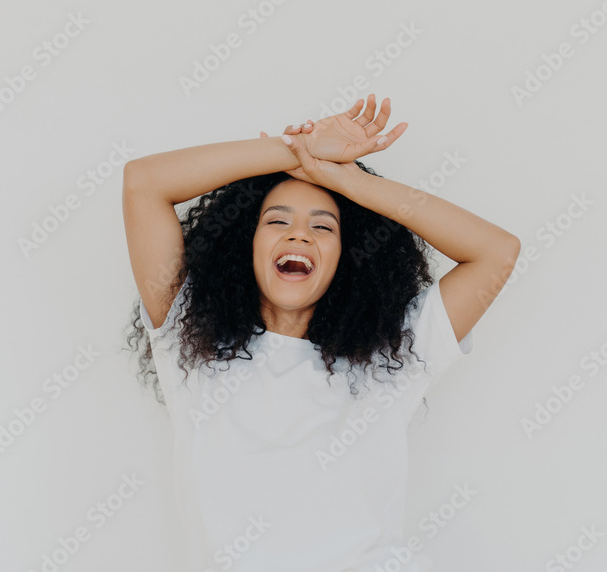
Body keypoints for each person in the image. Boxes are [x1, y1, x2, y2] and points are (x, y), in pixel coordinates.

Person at [121, 95, 520, 571]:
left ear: (346, 258)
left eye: (324, 227)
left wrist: (345, 179)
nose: (299, 235)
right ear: (246, 246)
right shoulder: (190, 340)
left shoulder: (392, 355)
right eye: (277, 221)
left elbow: (496, 251)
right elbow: (143, 183)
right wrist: (298, 150)